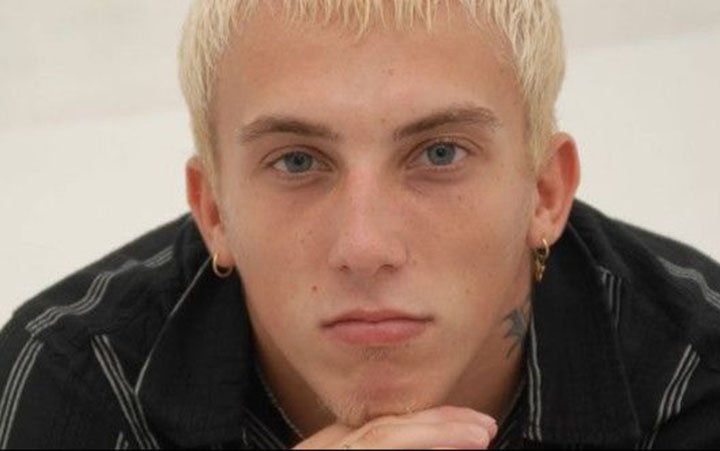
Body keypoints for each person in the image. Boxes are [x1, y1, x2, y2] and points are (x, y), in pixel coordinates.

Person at [1, 0, 719, 448]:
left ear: (544, 194)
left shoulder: (698, 373)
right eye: (297, 162)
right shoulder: (73, 382)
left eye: (439, 153)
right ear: (213, 209)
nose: (365, 246)